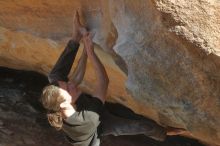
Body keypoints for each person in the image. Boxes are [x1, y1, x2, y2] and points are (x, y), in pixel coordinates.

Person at [41, 11, 187, 146]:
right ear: (64, 104)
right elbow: (103, 81)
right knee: (143, 126)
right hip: (100, 125)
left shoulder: (60, 91)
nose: (69, 84)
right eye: (67, 88)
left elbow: (73, 81)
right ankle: (165, 132)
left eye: (64, 84)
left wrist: (83, 45)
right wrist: (91, 52)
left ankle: (76, 36)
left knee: (54, 76)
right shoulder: (87, 122)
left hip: (82, 108)